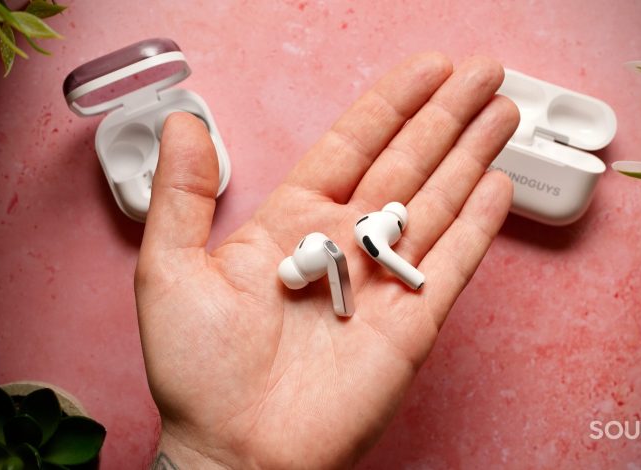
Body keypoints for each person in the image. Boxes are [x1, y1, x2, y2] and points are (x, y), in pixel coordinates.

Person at [136, 52, 519, 469]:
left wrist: (209, 452)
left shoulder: (356, 244)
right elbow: (344, 264)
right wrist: (209, 447)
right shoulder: (341, 252)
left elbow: (349, 262)